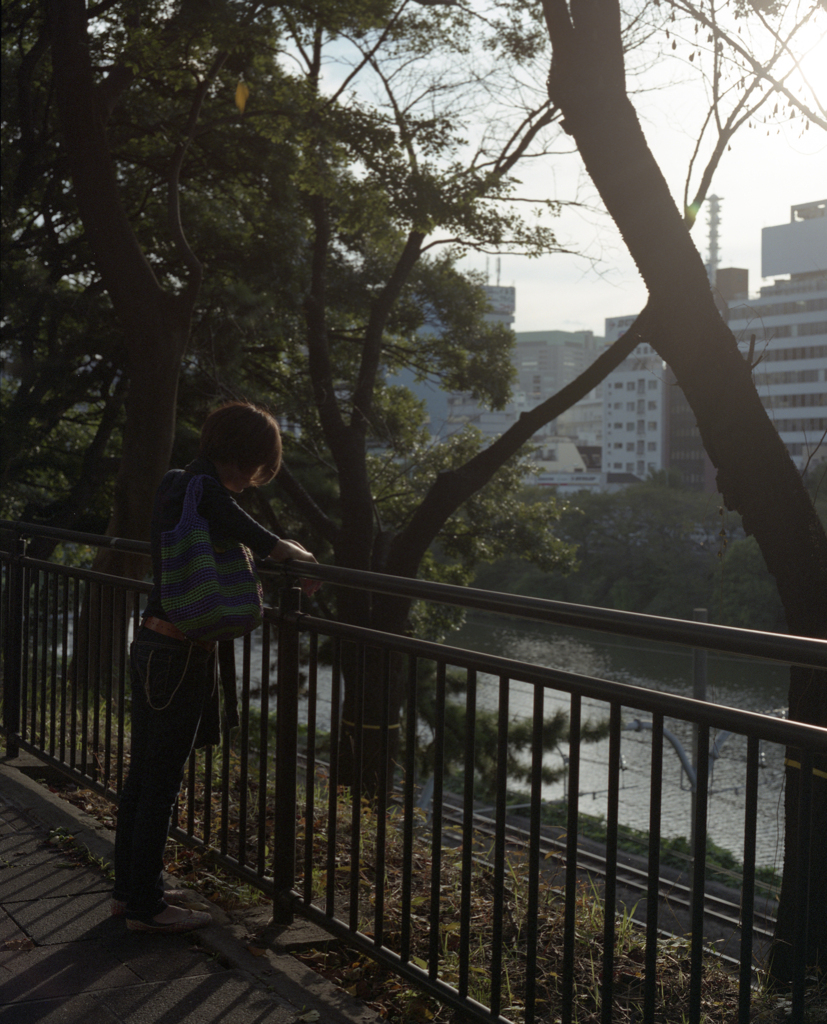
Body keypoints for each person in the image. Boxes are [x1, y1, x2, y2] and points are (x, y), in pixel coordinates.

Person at [113, 402, 318, 933]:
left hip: (153, 646)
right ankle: (146, 907)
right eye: (260, 464)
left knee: (144, 773)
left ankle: (131, 889)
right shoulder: (201, 489)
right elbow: (232, 518)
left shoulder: (179, 487)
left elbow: (223, 520)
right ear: (250, 458)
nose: (256, 478)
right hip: (178, 655)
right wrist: (286, 550)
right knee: (159, 778)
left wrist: (277, 547)